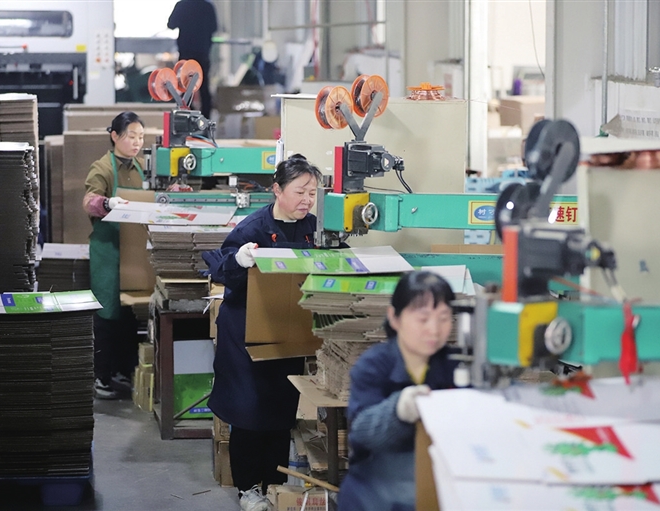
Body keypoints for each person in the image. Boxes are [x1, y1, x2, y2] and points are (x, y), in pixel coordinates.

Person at [203, 155, 322, 511]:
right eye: (300, 192)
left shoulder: (314, 228)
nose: (307, 200)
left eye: (312, 193)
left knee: (281, 411)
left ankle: (274, 484)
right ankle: (247, 487)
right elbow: (220, 269)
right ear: (277, 190)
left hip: (287, 331)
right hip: (246, 335)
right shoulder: (252, 229)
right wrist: (239, 260)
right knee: (249, 412)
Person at [337, 271, 462, 511]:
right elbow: (361, 432)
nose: (434, 330)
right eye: (423, 319)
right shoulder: (373, 365)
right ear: (394, 318)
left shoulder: (454, 366)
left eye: (444, 318)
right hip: (374, 493)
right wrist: (398, 411)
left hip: (433, 486)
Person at [82, 112, 145, 399]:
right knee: (106, 313)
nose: (137, 142)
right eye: (131, 136)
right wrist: (107, 203)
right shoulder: (102, 168)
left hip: (134, 250)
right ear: (115, 136)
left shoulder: (142, 167)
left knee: (129, 313)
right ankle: (101, 378)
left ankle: (123, 371)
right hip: (108, 251)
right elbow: (89, 202)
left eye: (140, 137)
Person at [167, 0, 217, 118]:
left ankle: (187, 116)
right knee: (204, 87)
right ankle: (205, 119)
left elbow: (171, 24)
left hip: (186, 52)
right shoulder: (208, 6)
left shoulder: (182, 5)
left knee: (185, 86)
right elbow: (214, 28)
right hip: (203, 52)